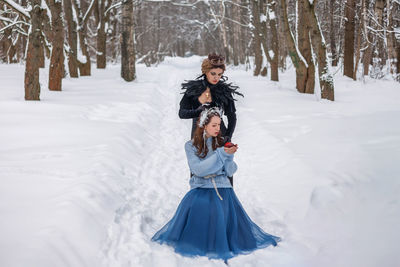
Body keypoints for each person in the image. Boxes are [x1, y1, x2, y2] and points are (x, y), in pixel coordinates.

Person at [152, 107, 280, 263]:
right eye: (214, 125)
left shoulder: (221, 143)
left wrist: (229, 157)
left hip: (224, 190)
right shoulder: (190, 146)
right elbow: (199, 170)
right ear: (203, 125)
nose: (218, 129)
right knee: (201, 205)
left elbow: (230, 171)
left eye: (219, 125)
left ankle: (221, 240)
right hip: (201, 187)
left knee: (221, 208)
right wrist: (221, 155)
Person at [179, 53, 243, 186]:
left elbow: (232, 116)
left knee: (225, 173)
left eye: (219, 74)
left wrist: (228, 136)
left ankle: (225, 202)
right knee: (198, 172)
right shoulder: (193, 90)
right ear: (205, 71)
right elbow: (182, 113)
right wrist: (198, 111)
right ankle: (199, 202)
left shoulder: (224, 91)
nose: (216, 77)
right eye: (213, 73)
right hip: (199, 135)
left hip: (220, 135)